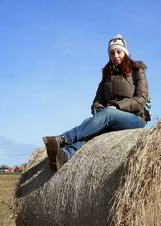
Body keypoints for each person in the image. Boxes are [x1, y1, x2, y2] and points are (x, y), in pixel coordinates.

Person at [43, 34, 149, 172]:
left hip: (135, 119)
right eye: (112, 53)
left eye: (119, 51)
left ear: (125, 52)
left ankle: (63, 139)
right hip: (109, 117)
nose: (116, 55)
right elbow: (97, 101)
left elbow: (141, 99)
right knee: (91, 129)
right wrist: (98, 110)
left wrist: (116, 107)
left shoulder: (137, 71)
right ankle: (63, 156)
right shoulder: (107, 75)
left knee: (108, 114)